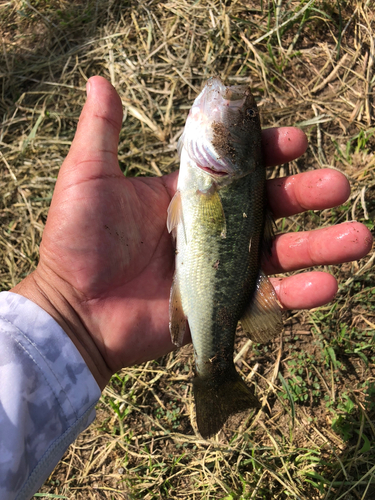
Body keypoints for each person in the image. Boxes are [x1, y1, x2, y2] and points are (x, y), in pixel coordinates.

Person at [0, 76, 372, 499]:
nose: (236, 100)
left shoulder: (212, 177)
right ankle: (216, 376)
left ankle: (214, 373)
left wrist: (64, 307)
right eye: (246, 114)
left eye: (245, 116)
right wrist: (63, 302)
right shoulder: (210, 176)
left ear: (240, 155)